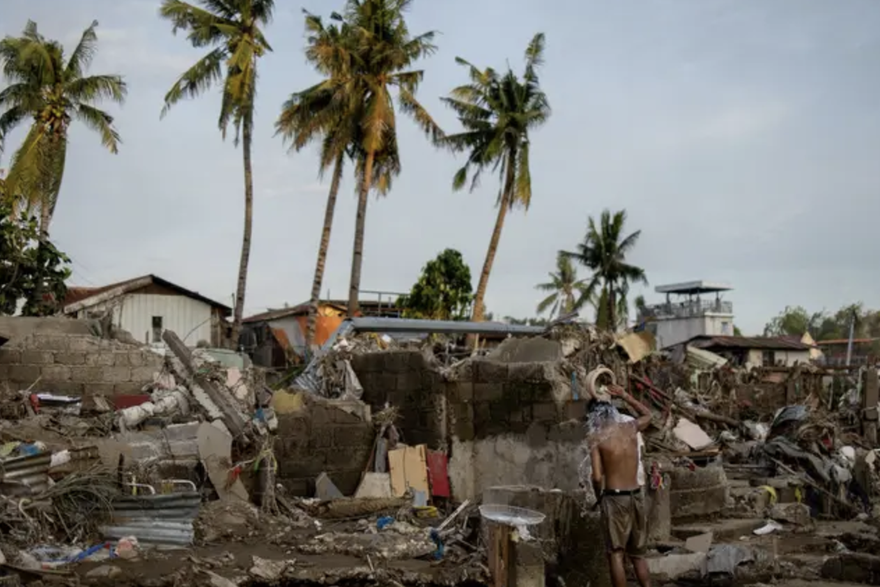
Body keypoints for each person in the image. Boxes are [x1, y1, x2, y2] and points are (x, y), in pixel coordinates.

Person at [587, 387, 653, 587]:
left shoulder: (596, 438)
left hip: (615, 499)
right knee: (638, 555)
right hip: (637, 495)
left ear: (593, 417)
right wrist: (625, 395)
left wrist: (599, 497)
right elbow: (648, 415)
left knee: (616, 554)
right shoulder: (630, 428)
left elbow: (597, 477)